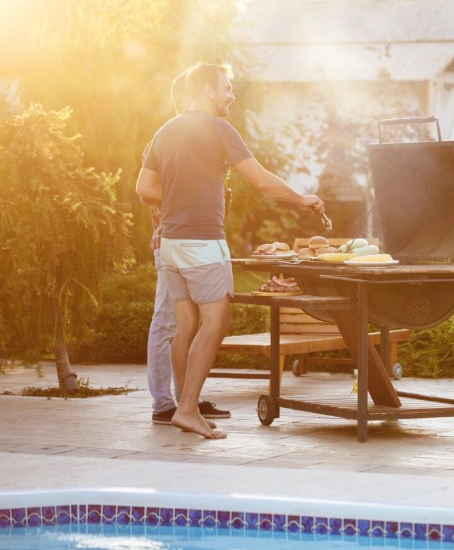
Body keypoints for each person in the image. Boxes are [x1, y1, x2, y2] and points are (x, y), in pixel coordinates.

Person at [136, 62, 324, 439]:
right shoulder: (219, 128)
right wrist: (302, 199)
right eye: (226, 89)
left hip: (171, 244)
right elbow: (261, 181)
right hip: (203, 243)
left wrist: (182, 193)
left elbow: (144, 188)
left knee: (186, 326)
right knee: (216, 324)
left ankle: (185, 407)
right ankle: (186, 408)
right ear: (206, 90)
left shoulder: (166, 131)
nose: (231, 96)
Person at [145, 71, 231, 426]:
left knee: (186, 324)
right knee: (168, 322)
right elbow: (147, 190)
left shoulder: (194, 138)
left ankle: (187, 402)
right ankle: (165, 404)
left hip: (181, 240)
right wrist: (182, 202)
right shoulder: (171, 136)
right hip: (174, 240)